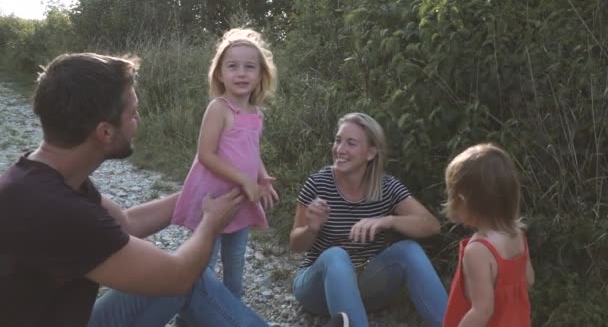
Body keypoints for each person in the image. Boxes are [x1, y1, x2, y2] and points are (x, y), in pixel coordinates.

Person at [0, 52, 270, 327]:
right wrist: (210, 223)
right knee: (190, 272)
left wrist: (202, 191)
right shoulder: (58, 211)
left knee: (194, 273)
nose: (138, 119)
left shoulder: (43, 177)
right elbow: (178, 277)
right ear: (105, 132)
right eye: (133, 112)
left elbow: (128, 222)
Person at [289, 112, 448, 327]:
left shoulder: (387, 186)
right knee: (336, 255)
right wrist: (311, 228)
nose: (340, 149)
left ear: (371, 152)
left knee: (409, 250)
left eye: (351, 143)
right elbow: (296, 245)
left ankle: (450, 323)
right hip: (317, 290)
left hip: (366, 284)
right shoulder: (318, 184)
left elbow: (431, 225)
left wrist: (388, 220)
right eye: (338, 141)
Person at [171, 28, 279, 301]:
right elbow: (206, 154)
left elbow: (252, 152)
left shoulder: (256, 114)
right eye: (232, 66)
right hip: (212, 198)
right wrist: (244, 179)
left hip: (240, 200)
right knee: (204, 260)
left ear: (260, 75)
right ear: (220, 74)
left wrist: (262, 177)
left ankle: (232, 308)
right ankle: (192, 315)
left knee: (235, 260)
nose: (241, 73)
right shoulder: (219, 108)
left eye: (249, 67)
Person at [442, 143, 534, 327]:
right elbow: (529, 280)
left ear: (463, 200)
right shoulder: (516, 235)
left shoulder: (478, 250)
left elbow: (482, 311)